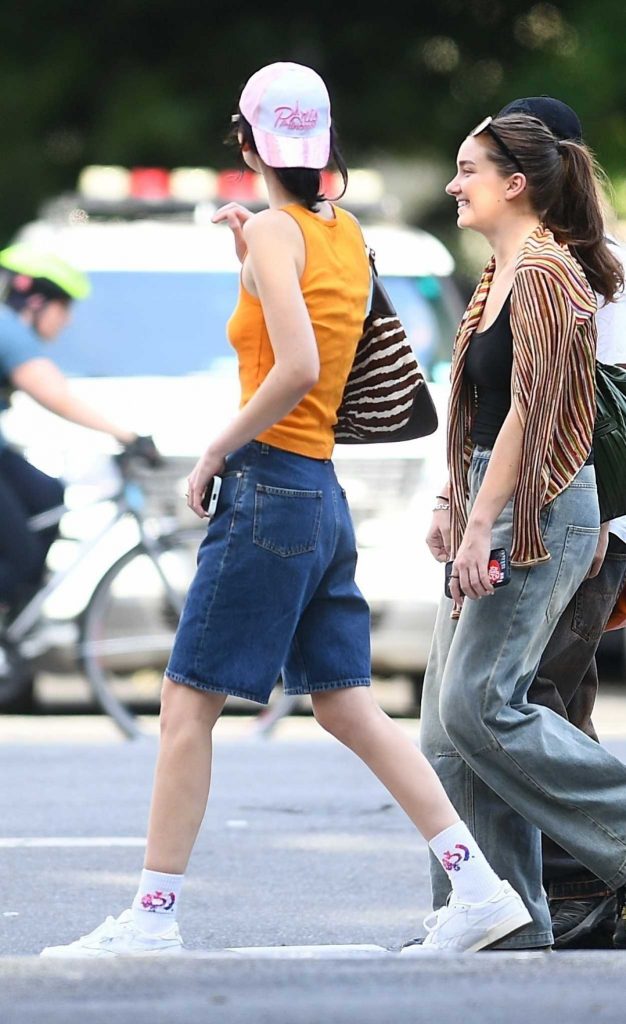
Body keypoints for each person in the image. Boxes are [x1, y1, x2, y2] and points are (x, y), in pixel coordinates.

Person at [40, 61, 530, 958]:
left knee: (187, 705)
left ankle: (151, 921)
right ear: (325, 142)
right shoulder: (339, 232)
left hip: (268, 485)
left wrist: (219, 445)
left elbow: (299, 368)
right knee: (346, 705)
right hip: (319, 495)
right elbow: (309, 330)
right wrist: (249, 256)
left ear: (245, 143)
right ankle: (479, 887)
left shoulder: (277, 230)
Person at [415, 107, 626, 953]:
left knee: (481, 705)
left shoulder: (547, 273)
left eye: (468, 169)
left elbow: (534, 412)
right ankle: (498, 917)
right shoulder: (496, 274)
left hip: (537, 507)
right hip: (488, 502)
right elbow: (478, 405)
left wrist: (480, 526)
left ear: (516, 183)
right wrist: (448, 502)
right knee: (445, 727)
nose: (452, 184)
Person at [495, 97, 626, 950]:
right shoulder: (595, 257)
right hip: (605, 525)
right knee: (558, 701)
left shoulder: (571, 267)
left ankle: (583, 884)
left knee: (522, 704)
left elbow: (552, 409)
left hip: (586, 518)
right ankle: (586, 897)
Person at [0, 244, 156, 618]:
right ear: (36, 301)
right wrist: (127, 436)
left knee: (48, 496)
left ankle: (16, 629)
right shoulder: (8, 329)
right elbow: (55, 394)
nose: (67, 322)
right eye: (64, 308)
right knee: (19, 554)